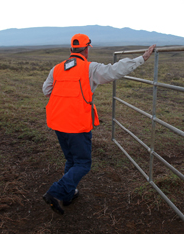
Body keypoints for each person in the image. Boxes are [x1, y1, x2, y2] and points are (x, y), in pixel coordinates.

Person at [42, 33, 156, 214]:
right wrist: (141, 59)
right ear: (87, 49)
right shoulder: (90, 68)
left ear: (71, 49)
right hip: (77, 124)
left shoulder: (56, 69)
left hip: (57, 122)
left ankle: (68, 194)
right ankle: (56, 192)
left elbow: (46, 90)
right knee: (82, 163)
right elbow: (114, 71)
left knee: (71, 159)